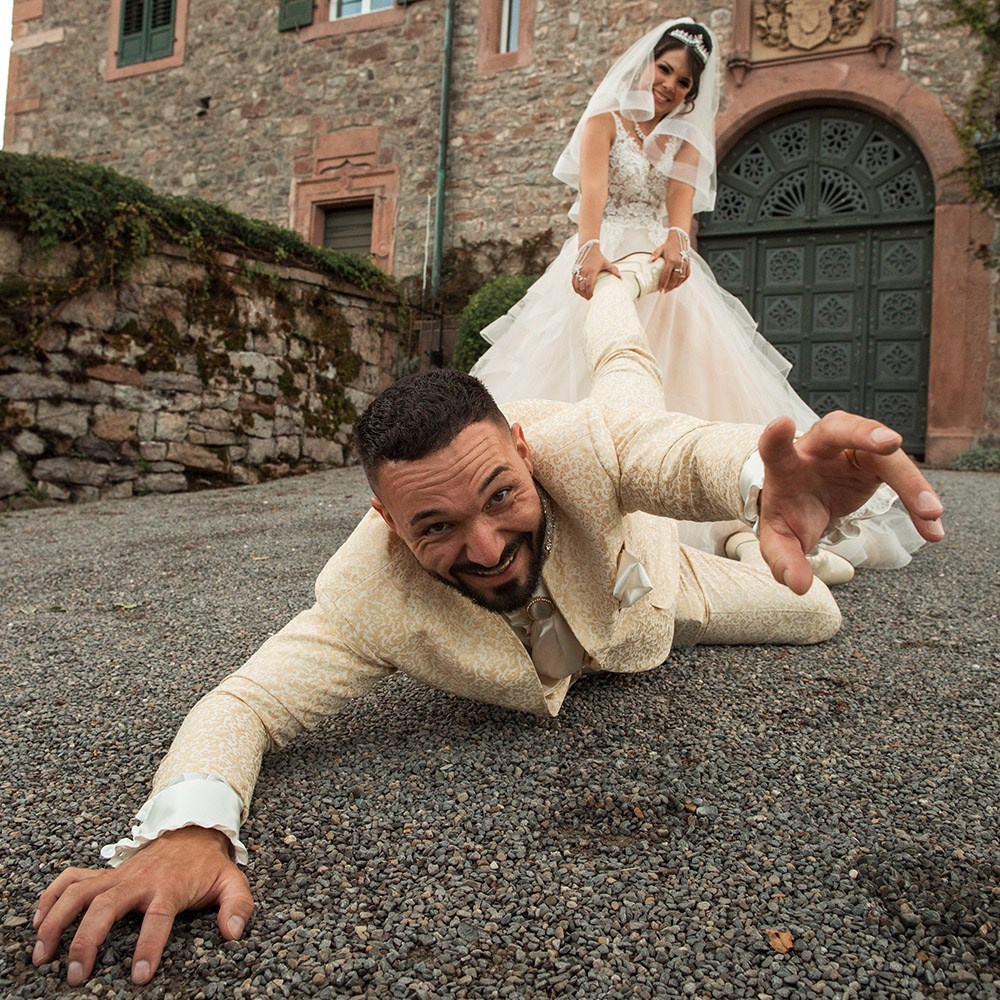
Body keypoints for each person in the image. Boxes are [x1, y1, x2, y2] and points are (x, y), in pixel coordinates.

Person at [31, 271, 945, 987]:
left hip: (657, 592)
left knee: (805, 597)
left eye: (501, 497)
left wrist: (755, 476)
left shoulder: (580, 448)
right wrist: (189, 831)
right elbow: (245, 703)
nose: (488, 547)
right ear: (390, 525)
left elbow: (669, 452)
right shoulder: (365, 593)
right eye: (435, 527)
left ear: (522, 448)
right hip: (593, 585)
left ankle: (624, 303)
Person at [470, 18, 924, 575]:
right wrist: (589, 249)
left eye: (684, 82)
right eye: (665, 69)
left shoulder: (683, 139)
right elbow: (593, 192)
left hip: (659, 273)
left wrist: (678, 247)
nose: (671, 86)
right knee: (588, 363)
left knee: (684, 372)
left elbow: (679, 213)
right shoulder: (604, 120)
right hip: (606, 250)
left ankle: (730, 510)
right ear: (646, 65)